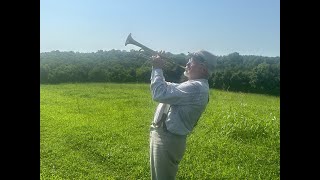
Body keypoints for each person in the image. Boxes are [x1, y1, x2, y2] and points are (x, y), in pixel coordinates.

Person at [149, 50, 217, 180]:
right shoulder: (193, 85)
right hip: (164, 135)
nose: (187, 63)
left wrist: (157, 67)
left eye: (191, 62)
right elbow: (167, 88)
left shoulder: (196, 87)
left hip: (167, 139)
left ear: (203, 68)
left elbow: (159, 93)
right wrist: (158, 68)